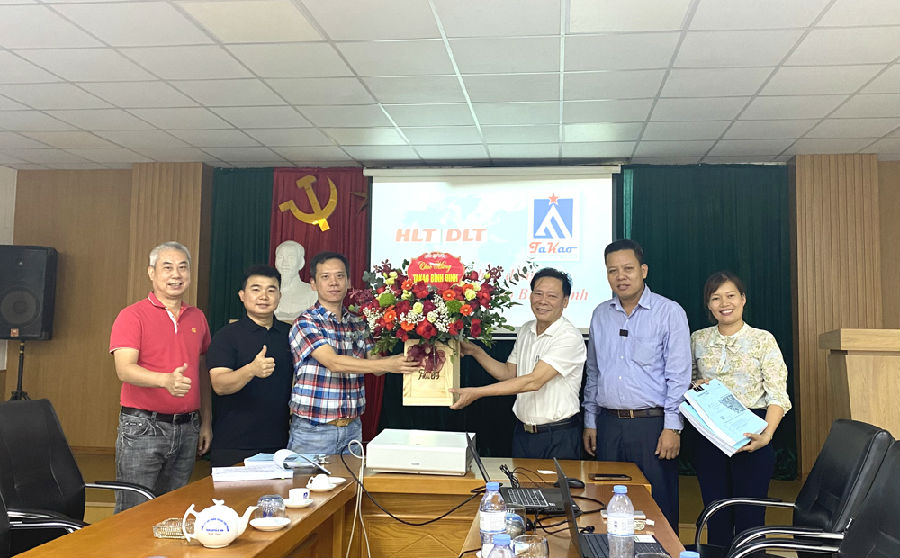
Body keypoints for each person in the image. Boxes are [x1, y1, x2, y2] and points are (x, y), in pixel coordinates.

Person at [582, 239, 690, 532]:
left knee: (657, 508)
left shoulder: (669, 312)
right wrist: (591, 421)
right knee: (608, 506)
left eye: (628, 269)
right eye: (612, 270)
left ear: (643, 270)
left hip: (652, 427)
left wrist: (672, 427)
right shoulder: (600, 314)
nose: (621, 276)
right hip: (609, 426)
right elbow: (594, 372)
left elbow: (678, 375)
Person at [109, 241, 212, 512]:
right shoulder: (132, 315)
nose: (176, 275)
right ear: (151, 272)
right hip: (143, 427)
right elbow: (124, 369)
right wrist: (165, 381)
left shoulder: (198, 318)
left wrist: (206, 422)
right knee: (133, 513)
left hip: (188, 428)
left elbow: (202, 374)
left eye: (183, 268)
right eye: (167, 267)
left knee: (173, 512)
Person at [690, 271, 791, 547]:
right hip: (711, 434)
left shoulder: (762, 339)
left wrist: (766, 435)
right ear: (708, 304)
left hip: (752, 432)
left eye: (731, 295)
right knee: (716, 514)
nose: (725, 303)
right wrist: (695, 385)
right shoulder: (698, 339)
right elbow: (685, 382)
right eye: (716, 298)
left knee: (750, 518)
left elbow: (778, 394)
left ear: (743, 299)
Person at [288, 251, 419, 455]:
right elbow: (334, 363)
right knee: (308, 478)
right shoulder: (305, 322)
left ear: (348, 281)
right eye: (325, 277)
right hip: (313, 430)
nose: (334, 282)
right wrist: (388, 364)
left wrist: (413, 350)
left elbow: (376, 366)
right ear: (313, 284)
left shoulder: (358, 323)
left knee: (351, 479)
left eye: (340, 276)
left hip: (352, 428)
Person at [449, 268, 587, 459]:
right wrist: (476, 351)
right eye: (538, 293)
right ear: (530, 295)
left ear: (565, 301)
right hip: (523, 434)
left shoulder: (569, 336)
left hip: (558, 436)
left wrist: (477, 393)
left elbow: (534, 381)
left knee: (558, 482)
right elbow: (508, 374)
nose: (543, 300)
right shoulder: (526, 330)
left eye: (552, 296)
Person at [206, 265, 293, 467]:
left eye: (271, 290)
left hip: (280, 445)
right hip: (233, 445)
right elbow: (219, 385)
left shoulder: (290, 334)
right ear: (242, 295)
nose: (264, 296)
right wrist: (251, 370)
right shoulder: (226, 336)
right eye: (256, 289)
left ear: (279, 296)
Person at [274, 240, 318, 323]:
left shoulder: (313, 292)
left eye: (291, 258)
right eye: (280, 257)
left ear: (301, 263)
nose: (284, 263)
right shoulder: (268, 292)